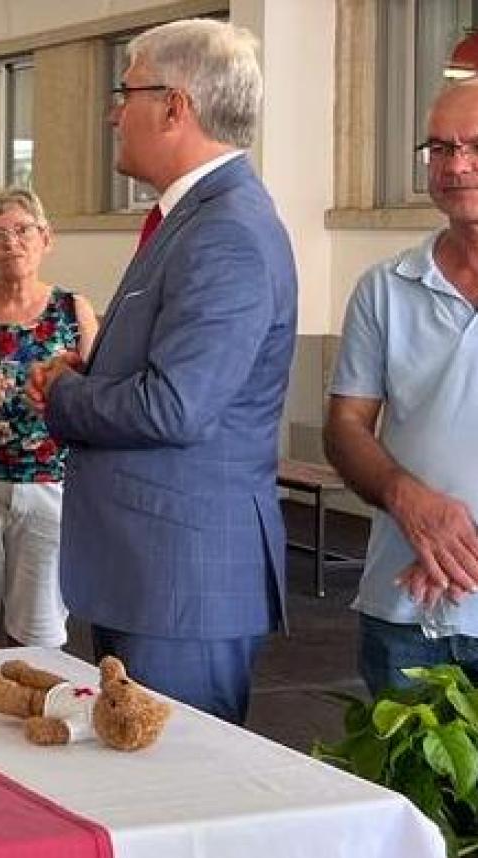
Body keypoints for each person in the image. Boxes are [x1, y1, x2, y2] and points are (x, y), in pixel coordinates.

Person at [28, 19, 295, 724]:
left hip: (183, 580)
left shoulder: (226, 230)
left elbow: (176, 407)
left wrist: (67, 393)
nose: (113, 114)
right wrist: (96, 372)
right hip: (153, 570)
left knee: (178, 776)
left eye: (126, 93)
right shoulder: (196, 218)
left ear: (175, 106)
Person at [324, 75, 478, 696]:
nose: (456, 164)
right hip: (404, 610)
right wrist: (407, 499)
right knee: (400, 765)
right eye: (440, 148)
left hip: (474, 597)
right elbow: (346, 426)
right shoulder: (386, 286)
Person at [0, 187, 98, 652]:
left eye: (23, 230)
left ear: (46, 238)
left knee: (37, 630)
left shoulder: (73, 309)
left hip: (49, 484)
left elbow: (96, 394)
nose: (11, 243)